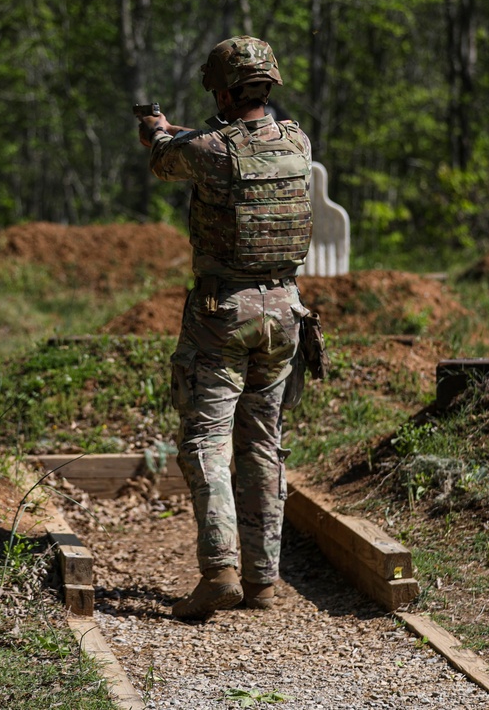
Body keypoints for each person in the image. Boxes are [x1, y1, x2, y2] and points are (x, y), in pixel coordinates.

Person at [136, 35, 312, 619]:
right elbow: (233, 145)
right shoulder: (297, 142)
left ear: (224, 89)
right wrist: (181, 129)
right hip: (286, 312)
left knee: (206, 442)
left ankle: (220, 571)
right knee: (263, 444)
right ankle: (263, 579)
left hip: (224, 315)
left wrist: (159, 130)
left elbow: (169, 157)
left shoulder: (209, 150)